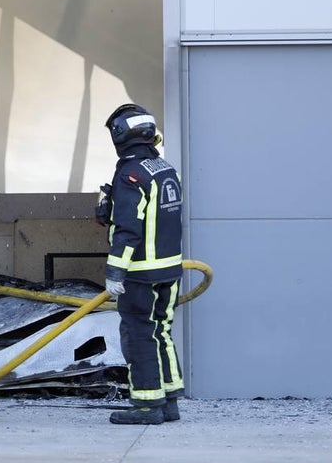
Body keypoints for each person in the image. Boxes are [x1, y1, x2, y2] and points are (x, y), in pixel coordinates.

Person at [94, 103, 185, 424]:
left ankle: (147, 405)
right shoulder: (164, 168)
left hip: (140, 272)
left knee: (139, 335)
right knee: (161, 331)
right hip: (169, 269)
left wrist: (115, 271)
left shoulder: (130, 174)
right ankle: (169, 401)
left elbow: (128, 228)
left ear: (121, 135)